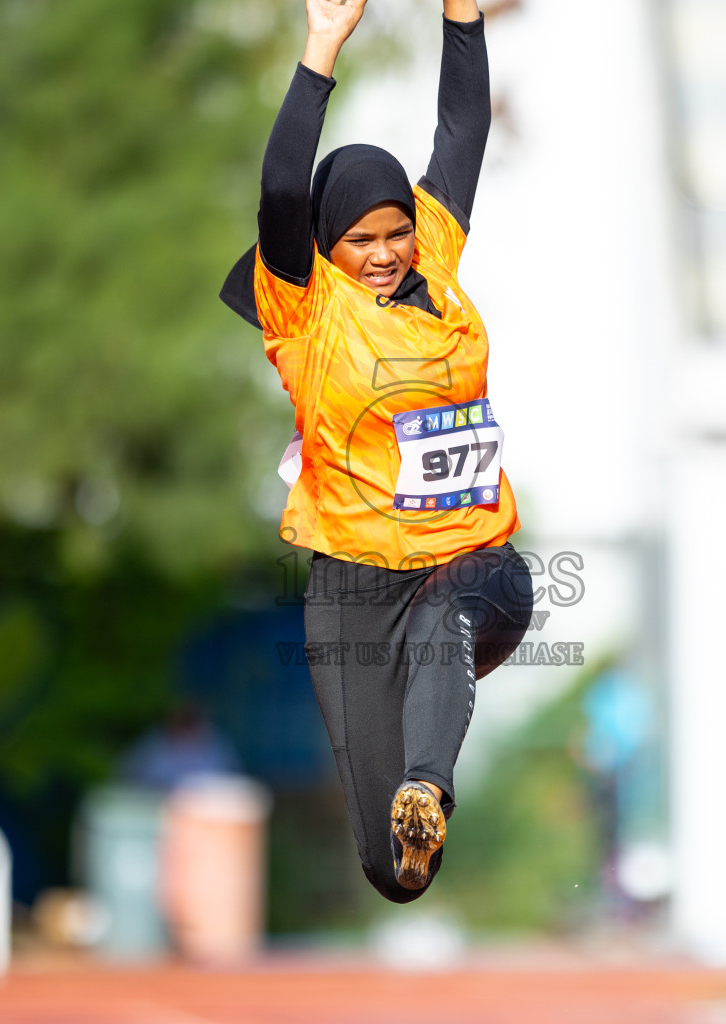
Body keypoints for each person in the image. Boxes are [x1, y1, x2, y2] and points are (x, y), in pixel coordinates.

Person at [220, 0, 534, 903]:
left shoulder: (432, 252)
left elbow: (462, 124)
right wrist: (321, 49)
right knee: (390, 874)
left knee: (450, 614)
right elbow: (283, 190)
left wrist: (463, 14)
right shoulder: (307, 311)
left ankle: (429, 784)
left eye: (397, 232)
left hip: (475, 566)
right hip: (353, 588)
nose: (387, 252)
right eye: (362, 240)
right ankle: (411, 820)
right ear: (326, 248)